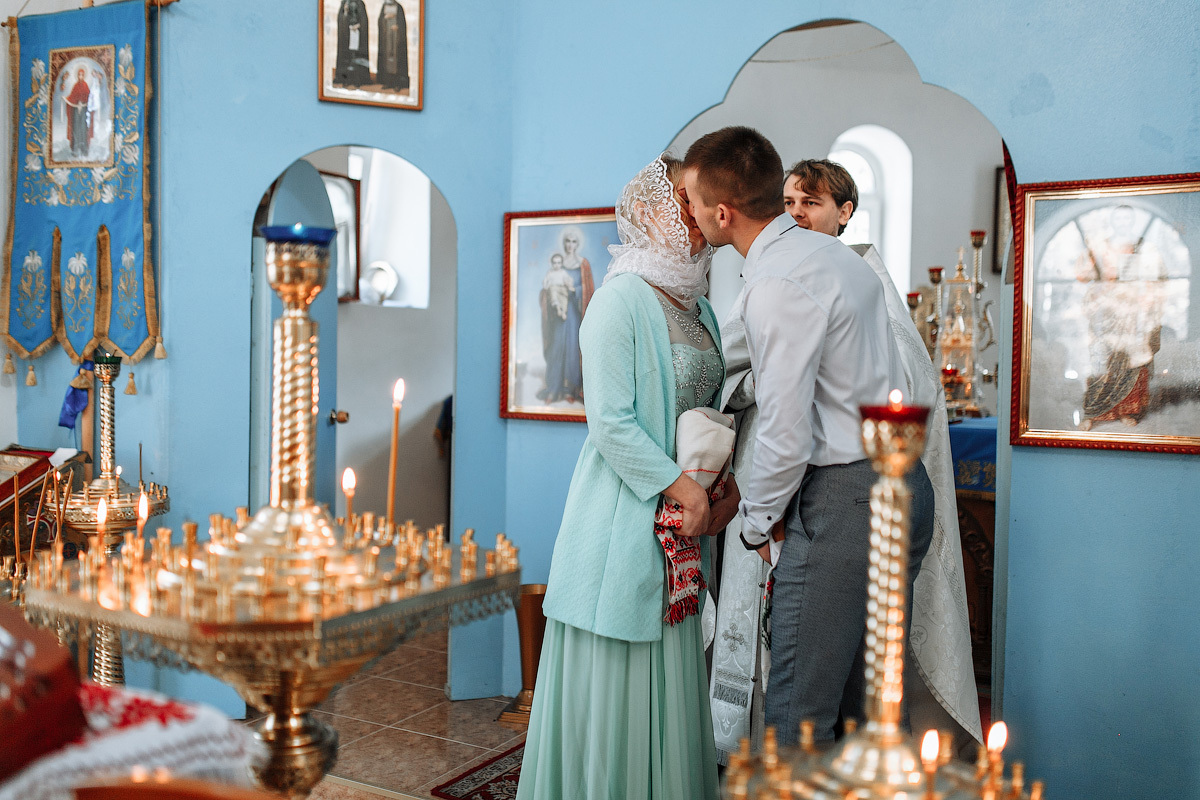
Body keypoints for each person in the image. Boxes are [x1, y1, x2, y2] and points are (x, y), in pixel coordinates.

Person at [682, 127, 934, 745]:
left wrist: (754, 524)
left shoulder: (777, 285)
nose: (688, 214)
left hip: (848, 501)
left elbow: (787, 433)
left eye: (690, 201)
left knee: (796, 721)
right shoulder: (837, 259)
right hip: (901, 484)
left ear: (722, 212)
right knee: (873, 715)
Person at [517, 155, 726, 800]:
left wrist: (715, 485)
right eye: (685, 202)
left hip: (685, 519)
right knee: (626, 678)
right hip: (624, 518)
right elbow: (609, 421)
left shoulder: (701, 310)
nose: (696, 218)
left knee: (675, 668)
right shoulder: (617, 297)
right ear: (656, 211)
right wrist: (679, 486)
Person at [784, 158, 982, 746]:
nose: (796, 213)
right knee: (860, 674)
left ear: (845, 214)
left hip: (861, 492)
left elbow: (904, 393)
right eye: (789, 201)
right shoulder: (802, 272)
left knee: (844, 681)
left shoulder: (856, 281)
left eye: (812, 203)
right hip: (863, 493)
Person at [537, 227, 594, 404]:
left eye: (574, 241)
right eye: (567, 241)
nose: (570, 245)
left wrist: (573, 291)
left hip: (574, 314)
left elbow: (588, 290)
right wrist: (551, 293)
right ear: (564, 243)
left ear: (577, 244)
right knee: (556, 349)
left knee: (572, 349)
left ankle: (571, 389)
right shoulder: (558, 263)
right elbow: (546, 289)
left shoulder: (583, 264)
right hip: (558, 317)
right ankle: (554, 388)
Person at [63, 68, 91, 157]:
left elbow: (89, 97)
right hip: (75, 110)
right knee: (75, 128)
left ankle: (84, 149)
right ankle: (75, 149)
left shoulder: (86, 85)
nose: (80, 76)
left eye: (82, 75)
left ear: (84, 76)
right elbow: (72, 97)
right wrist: (67, 99)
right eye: (79, 75)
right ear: (77, 76)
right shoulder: (75, 86)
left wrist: (83, 103)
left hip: (83, 110)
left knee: (83, 128)